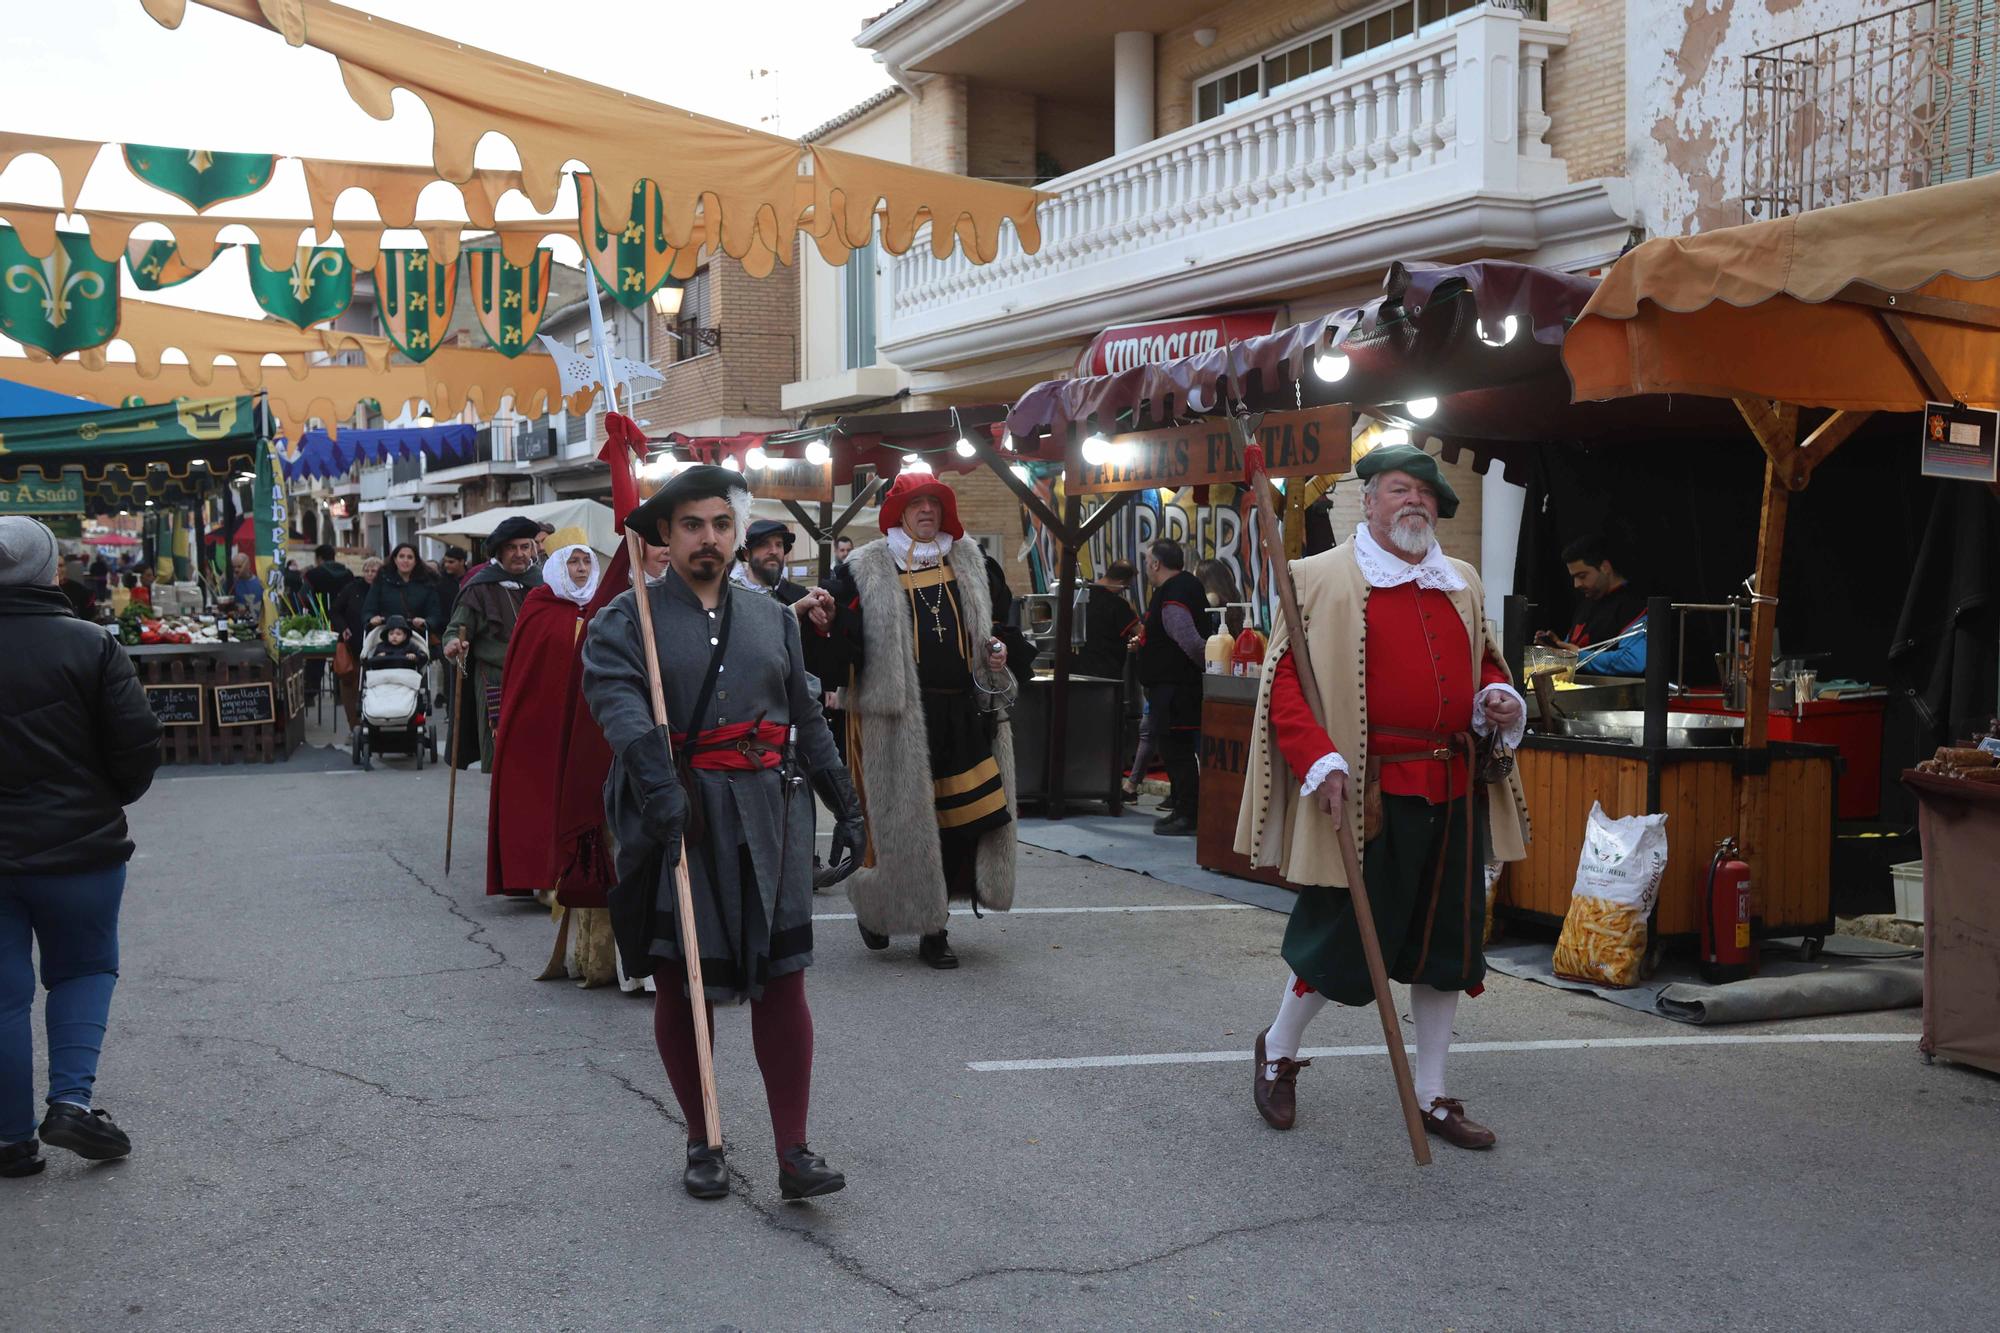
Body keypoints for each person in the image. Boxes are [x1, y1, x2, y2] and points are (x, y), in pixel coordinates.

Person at [1234, 444, 1530, 1151]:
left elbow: (1486, 659)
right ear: (1366, 500)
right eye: (1400, 490)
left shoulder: (1459, 579)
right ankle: (1277, 1048)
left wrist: (1497, 694)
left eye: (1426, 496)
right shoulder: (1317, 576)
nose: (1414, 504)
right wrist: (1320, 758)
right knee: (1341, 942)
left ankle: (1432, 1093)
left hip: (1453, 788)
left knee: (1446, 948)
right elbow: (1285, 686)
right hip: (1369, 793)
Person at [582, 464, 863, 1201]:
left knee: (784, 980)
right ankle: (702, 1139)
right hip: (685, 814)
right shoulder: (625, 618)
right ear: (665, 536)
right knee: (686, 982)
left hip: (773, 815)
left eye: (720, 524)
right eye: (692, 525)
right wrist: (657, 785)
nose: (708, 539)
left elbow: (806, 718)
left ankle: (793, 1150)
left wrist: (847, 800)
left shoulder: (773, 617)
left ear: (736, 534)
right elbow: (618, 707)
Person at [1, 517, 163, 1178]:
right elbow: (136, 747)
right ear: (51, 570)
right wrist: (105, 799)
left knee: (2, 994)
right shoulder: (91, 644)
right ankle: (70, 1101)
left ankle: (9, 1138)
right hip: (80, 847)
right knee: (84, 968)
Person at [805, 472, 1019, 970]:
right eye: (916, 503)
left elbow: (1005, 622)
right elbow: (841, 644)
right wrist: (829, 623)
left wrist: (1002, 649)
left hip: (964, 716)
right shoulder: (865, 571)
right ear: (897, 513)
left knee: (959, 824)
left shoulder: (973, 563)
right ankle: (883, 912)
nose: (927, 511)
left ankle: (935, 925)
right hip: (897, 722)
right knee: (898, 828)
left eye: (934, 503)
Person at [487, 545, 608, 901]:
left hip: (590, 723)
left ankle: (582, 872)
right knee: (540, 798)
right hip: (542, 725)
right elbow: (525, 673)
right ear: (558, 566)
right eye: (573, 561)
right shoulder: (540, 607)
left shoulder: (606, 606)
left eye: (587, 561)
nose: (582, 568)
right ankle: (543, 878)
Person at [443, 517, 542, 773]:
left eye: (525, 547)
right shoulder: (480, 588)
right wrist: (454, 644)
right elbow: (456, 629)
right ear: (499, 552)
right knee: (500, 755)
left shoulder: (544, 584)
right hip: (495, 681)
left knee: (538, 753)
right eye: (512, 548)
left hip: (537, 680)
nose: (520, 554)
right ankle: (500, 810)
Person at [1135, 539, 1208, 836]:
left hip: (1177, 688)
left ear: (1156, 564)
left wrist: (1208, 665)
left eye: (1147, 561)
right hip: (1172, 685)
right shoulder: (1178, 587)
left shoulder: (1176, 591)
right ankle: (1180, 806)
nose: (1146, 567)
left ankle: (1188, 813)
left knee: (1177, 752)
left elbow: (1189, 639)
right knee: (1172, 749)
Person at [1541, 534, 1648, 675]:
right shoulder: (1586, 604)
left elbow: (1634, 661)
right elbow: (1572, 650)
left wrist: (1577, 656)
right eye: (1574, 578)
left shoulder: (1632, 605)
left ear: (1605, 567)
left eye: (1582, 576)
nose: (1576, 584)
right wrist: (1556, 648)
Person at [332, 555, 382, 731]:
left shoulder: (384, 589)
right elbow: (336, 611)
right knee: (351, 686)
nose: (369, 574)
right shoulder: (351, 588)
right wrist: (343, 628)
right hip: (352, 645)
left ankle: (376, 724)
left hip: (378, 645)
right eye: (366, 570)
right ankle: (354, 725)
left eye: (373, 571)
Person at [363, 542, 443, 644]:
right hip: (385, 635)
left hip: (415, 636)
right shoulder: (382, 581)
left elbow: (434, 613)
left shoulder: (427, 584)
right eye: (401, 556)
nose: (405, 560)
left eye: (410, 557)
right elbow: (368, 608)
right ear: (395, 559)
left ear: (415, 561)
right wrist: (371, 619)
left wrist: (426, 622)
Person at [733, 518, 819, 611]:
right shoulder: (730, 596)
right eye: (764, 544)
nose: (774, 551)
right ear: (747, 554)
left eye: (779, 545)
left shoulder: (801, 597)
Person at [1076, 559, 1140, 680]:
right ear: (1121, 582)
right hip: (1106, 672)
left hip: (1077, 669)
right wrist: (1132, 611)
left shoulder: (1081, 595)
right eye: (1126, 587)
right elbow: (1140, 632)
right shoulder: (1118, 605)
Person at [363, 616, 427, 670]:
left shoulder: (410, 646)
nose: (394, 636)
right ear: (387, 635)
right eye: (391, 634)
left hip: (405, 673)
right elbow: (372, 662)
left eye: (398, 634)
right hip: (384, 673)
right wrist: (378, 657)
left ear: (405, 636)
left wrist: (415, 657)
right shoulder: (381, 646)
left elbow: (422, 658)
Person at [435, 545, 468, 628]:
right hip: (446, 625)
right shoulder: (440, 582)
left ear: (462, 561)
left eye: (451, 562)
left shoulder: (471, 578)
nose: (446, 565)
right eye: (445, 561)